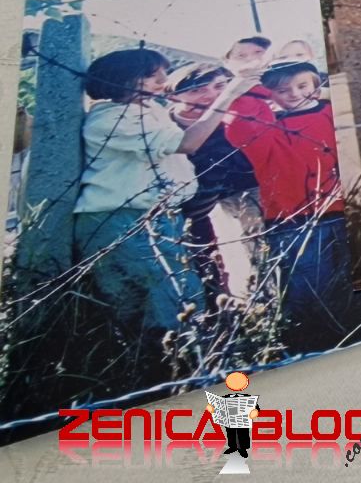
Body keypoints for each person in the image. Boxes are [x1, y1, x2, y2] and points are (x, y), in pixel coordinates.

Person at [73, 49, 255, 367]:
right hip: (124, 221)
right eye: (151, 75)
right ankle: (183, 371)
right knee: (168, 304)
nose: (162, 80)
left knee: (180, 297)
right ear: (122, 80)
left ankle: (188, 366)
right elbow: (187, 143)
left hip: (159, 217)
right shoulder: (112, 119)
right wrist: (230, 93)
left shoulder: (148, 110)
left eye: (162, 73)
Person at [225, 60, 349, 350]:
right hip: (294, 221)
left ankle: (352, 332)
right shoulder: (267, 128)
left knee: (351, 282)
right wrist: (252, 85)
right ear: (270, 94)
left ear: (315, 84)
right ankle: (312, 346)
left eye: (302, 85)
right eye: (282, 90)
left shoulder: (331, 113)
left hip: (343, 212)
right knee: (307, 290)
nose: (293, 94)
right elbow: (238, 126)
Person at [167, 63, 263, 303]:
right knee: (199, 263)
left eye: (220, 86)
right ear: (173, 96)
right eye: (197, 89)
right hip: (185, 207)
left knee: (255, 250)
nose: (210, 95)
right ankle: (212, 310)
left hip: (239, 194)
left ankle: (258, 300)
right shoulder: (165, 126)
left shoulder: (236, 116)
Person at [206, 371, 261, 458]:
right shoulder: (227, 397)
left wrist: (255, 412)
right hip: (230, 418)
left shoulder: (246, 397)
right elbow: (218, 405)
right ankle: (233, 447)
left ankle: (243, 449)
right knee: (231, 433)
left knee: (242, 433)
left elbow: (254, 405)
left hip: (242, 418)